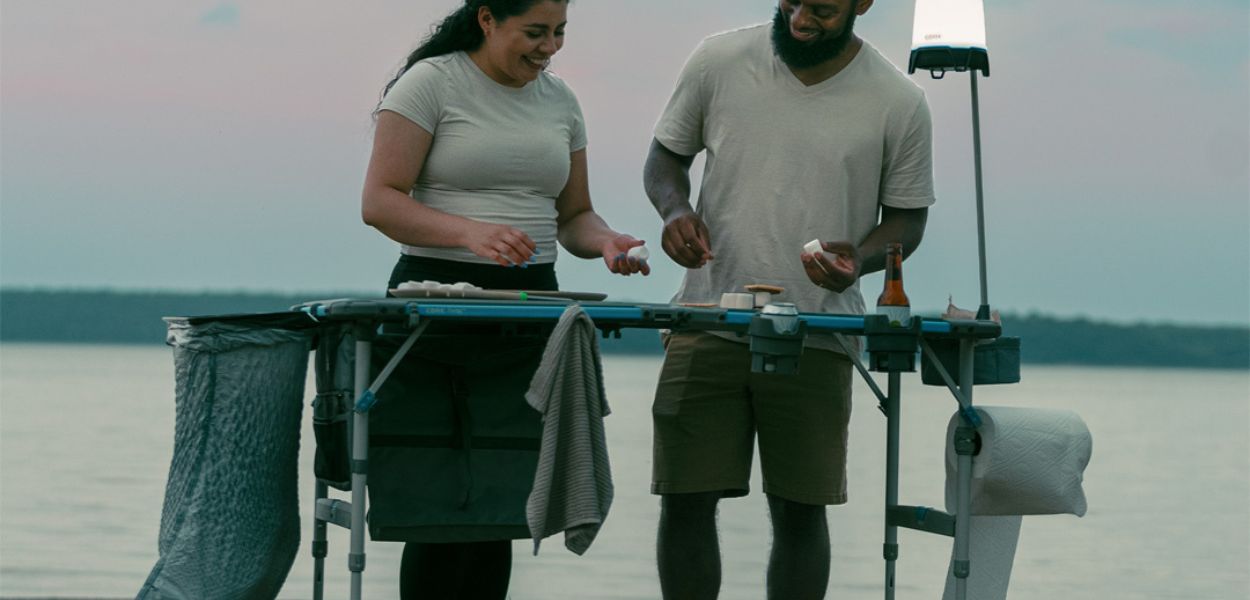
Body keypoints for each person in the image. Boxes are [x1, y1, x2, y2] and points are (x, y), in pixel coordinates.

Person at [643, 1, 934, 598]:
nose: (801, 18)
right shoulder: (717, 58)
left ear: (862, 4)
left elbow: (907, 220)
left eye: (822, 9)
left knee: (802, 510)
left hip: (819, 333)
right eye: (791, 1)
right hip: (706, 317)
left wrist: (860, 258)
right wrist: (675, 211)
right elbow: (665, 159)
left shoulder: (898, 99)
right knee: (685, 500)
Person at [360, 1, 647, 598]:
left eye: (560, 32)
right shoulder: (430, 83)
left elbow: (573, 216)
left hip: (529, 312)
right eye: (534, 32)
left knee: (501, 495)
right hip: (434, 305)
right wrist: (469, 231)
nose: (549, 47)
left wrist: (608, 243)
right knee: (439, 506)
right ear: (488, 19)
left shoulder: (561, 100)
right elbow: (380, 202)